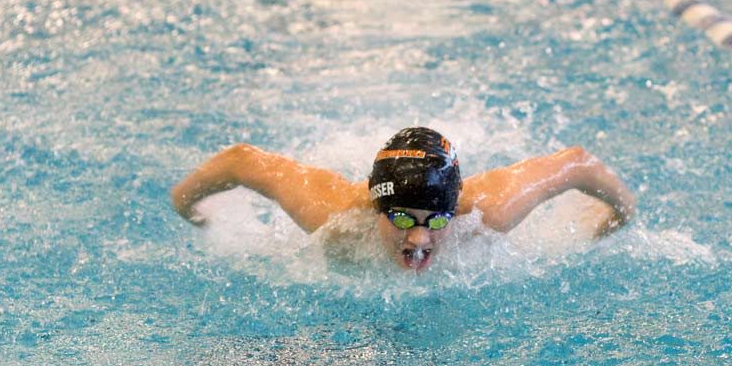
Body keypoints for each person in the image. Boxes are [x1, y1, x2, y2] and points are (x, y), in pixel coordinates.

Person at [171, 127, 636, 271]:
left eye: (436, 220)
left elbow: (577, 163)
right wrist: (186, 206)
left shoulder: (490, 209)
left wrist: (619, 215)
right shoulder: (331, 212)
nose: (417, 238)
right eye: (399, 217)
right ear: (375, 207)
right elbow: (240, 160)